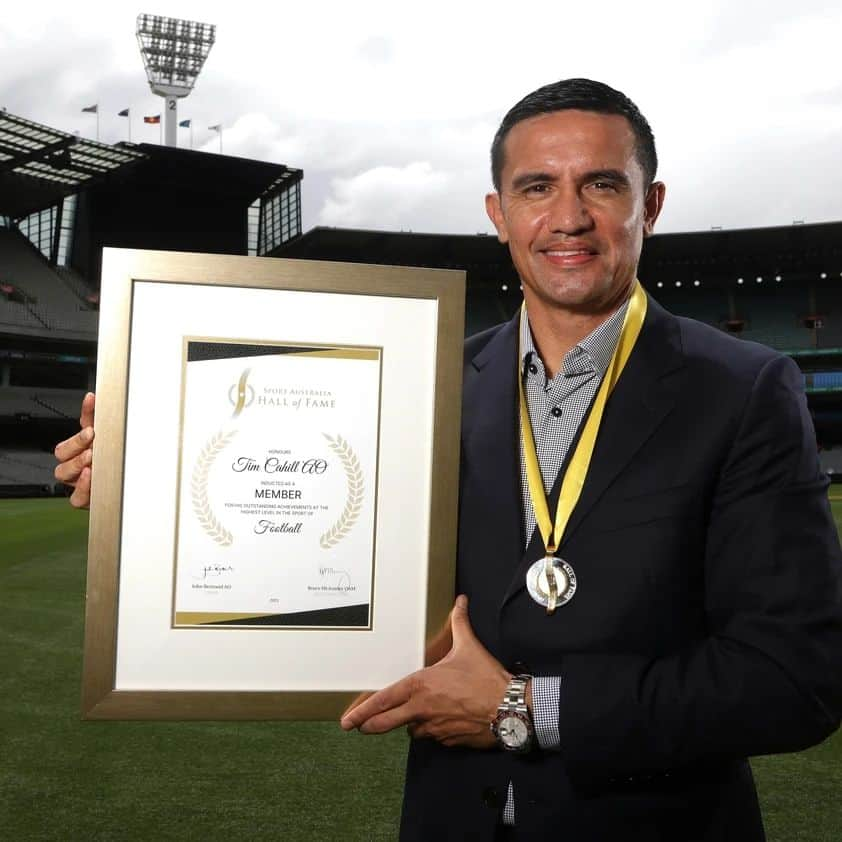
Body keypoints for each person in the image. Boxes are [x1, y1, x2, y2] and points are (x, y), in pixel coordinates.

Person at [56, 79, 842, 841]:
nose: (568, 217)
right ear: (500, 214)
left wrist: (528, 707)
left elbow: (795, 677)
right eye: (537, 188)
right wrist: (144, 470)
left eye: (601, 184)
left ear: (651, 204)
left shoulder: (742, 389)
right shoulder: (422, 385)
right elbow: (301, 515)